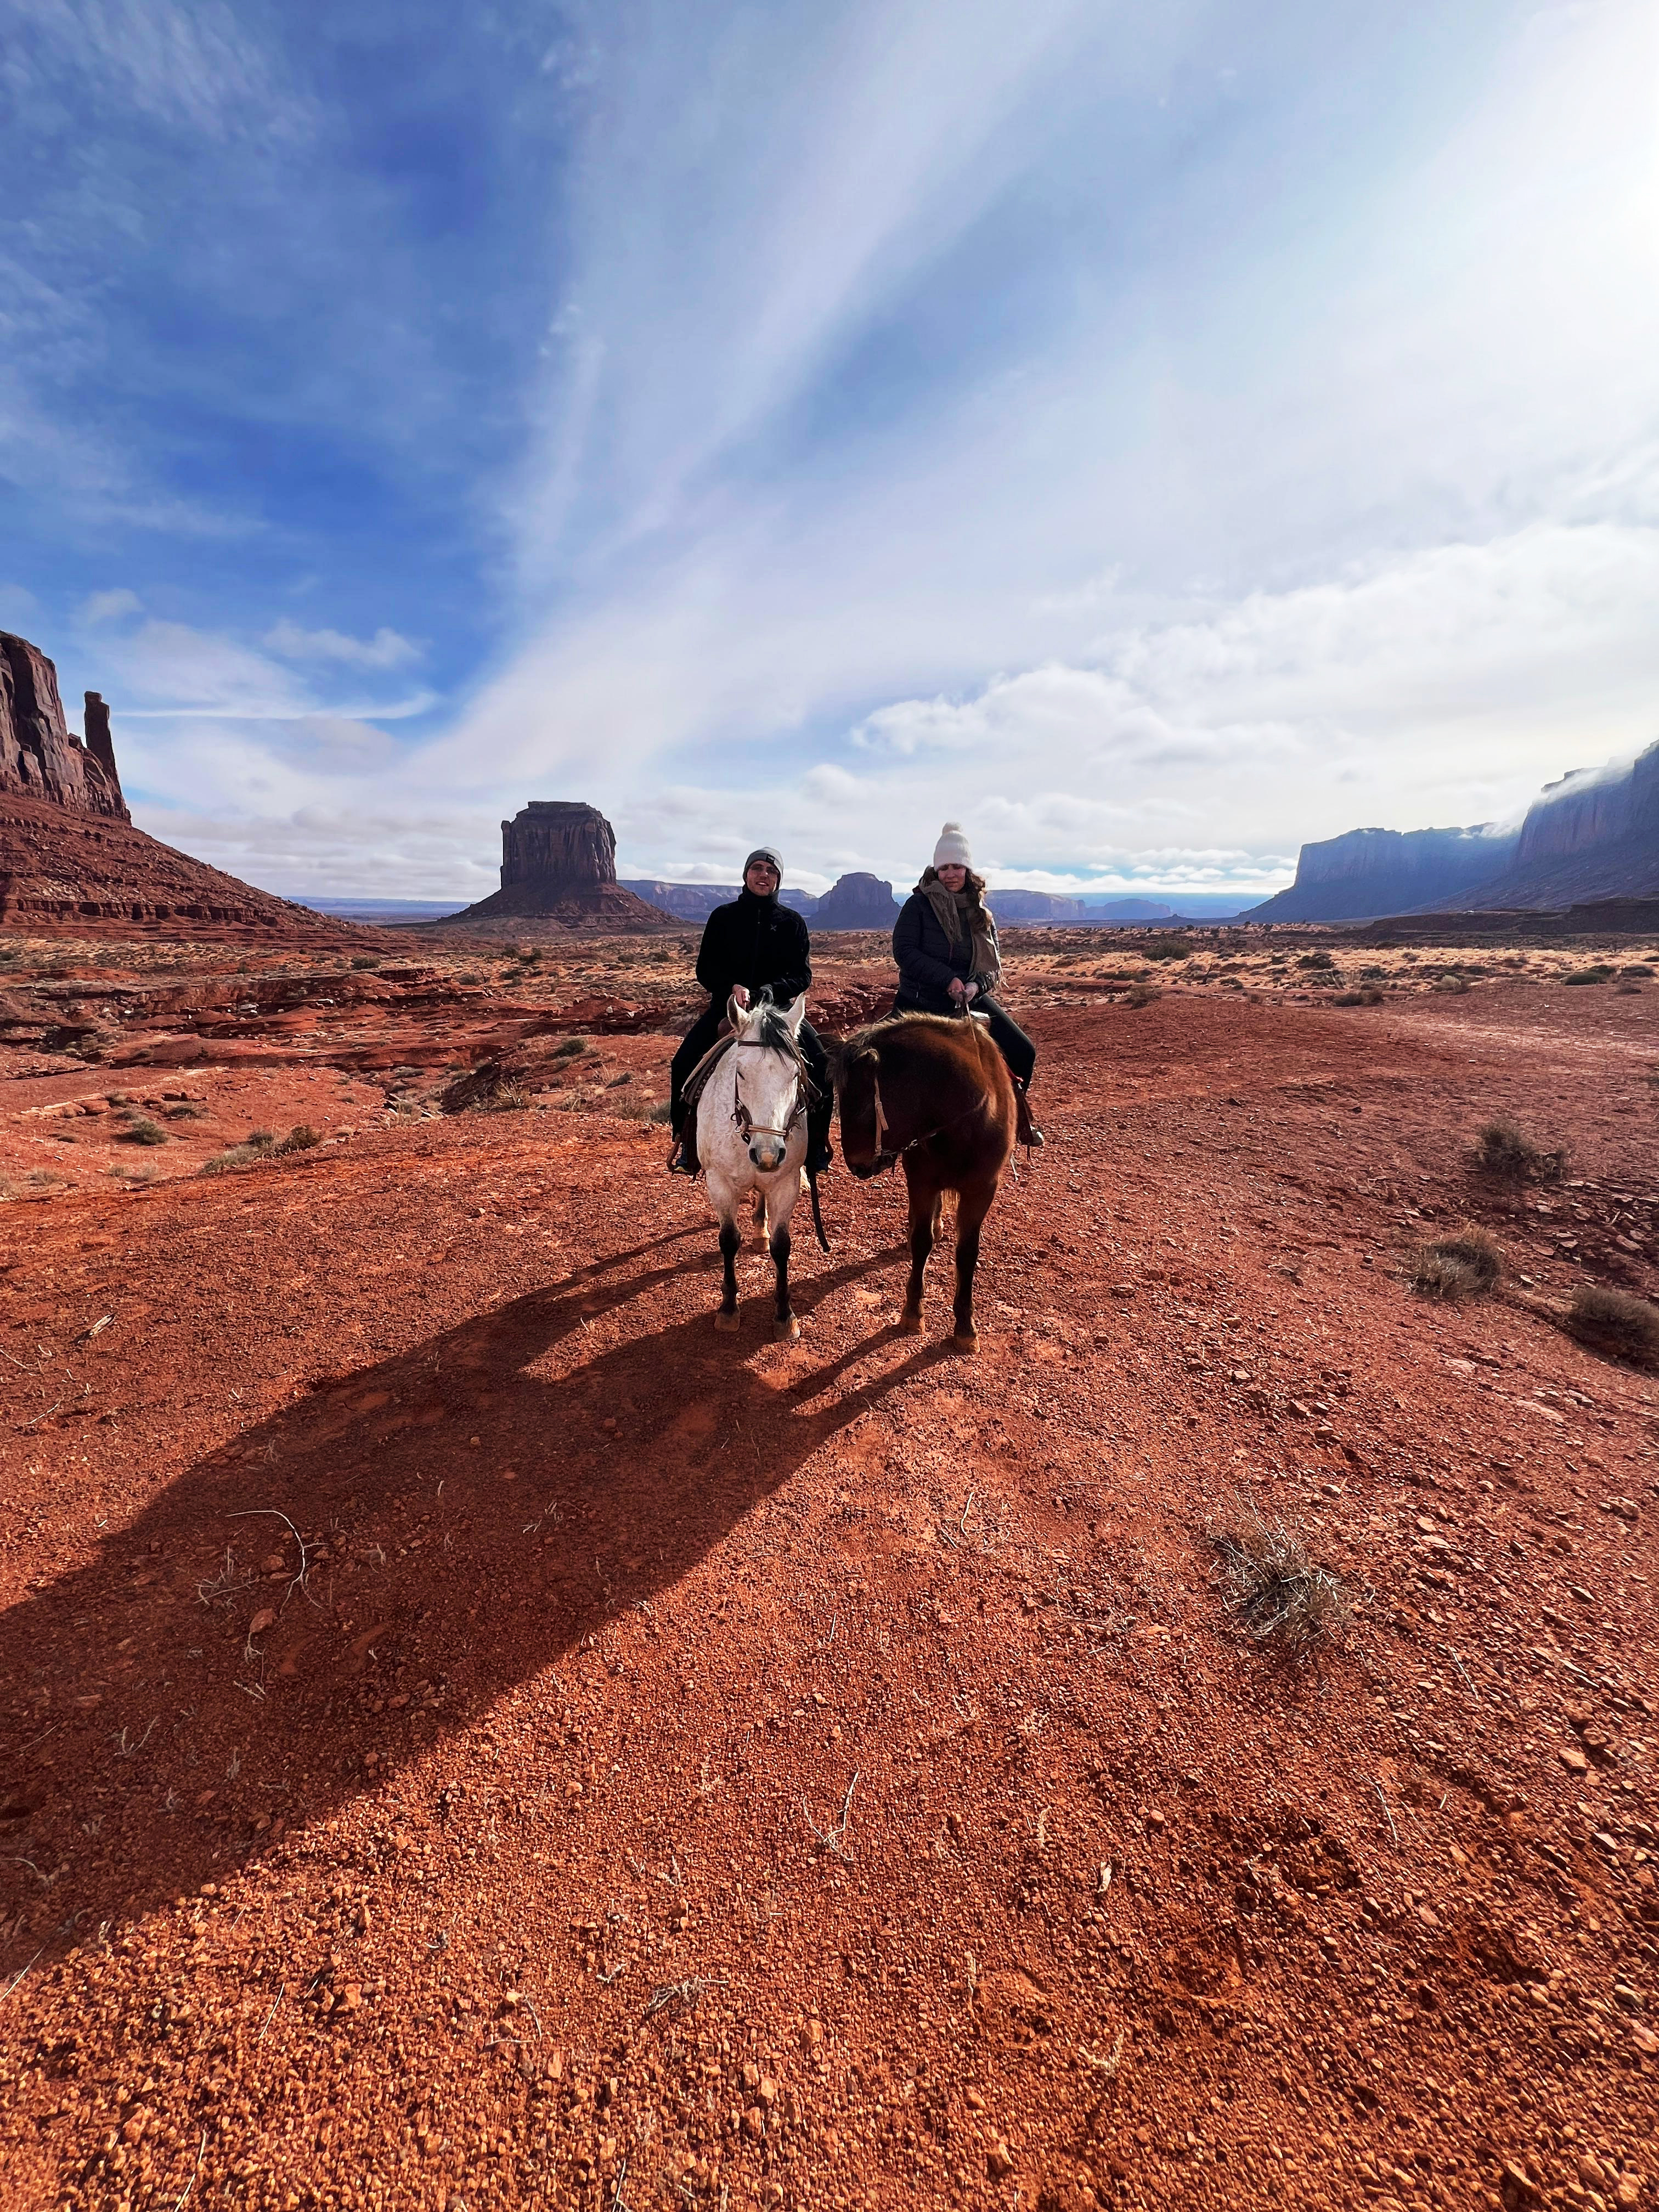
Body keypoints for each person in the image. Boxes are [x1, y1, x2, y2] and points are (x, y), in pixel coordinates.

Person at [668, 847, 834, 1177]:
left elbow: (803, 976)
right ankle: (687, 1141)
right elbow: (705, 969)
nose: (764, 876)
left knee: (823, 1065)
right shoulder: (723, 917)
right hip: (729, 1011)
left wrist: (770, 991)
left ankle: (816, 1143)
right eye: (757, 869)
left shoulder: (792, 923)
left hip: (779, 1014)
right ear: (746, 875)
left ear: (778, 879)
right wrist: (732, 986)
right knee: (683, 1064)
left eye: (771, 872)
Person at [891, 822, 1045, 1147]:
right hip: (919, 1000)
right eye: (944, 867)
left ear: (967, 869)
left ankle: (1011, 1120)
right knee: (878, 1063)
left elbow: (993, 967)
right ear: (936, 870)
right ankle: (886, 1143)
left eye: (956, 866)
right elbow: (904, 952)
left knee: (1023, 1052)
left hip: (968, 999)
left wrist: (976, 987)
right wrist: (946, 978)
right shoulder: (918, 905)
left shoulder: (981, 914)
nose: (950, 874)